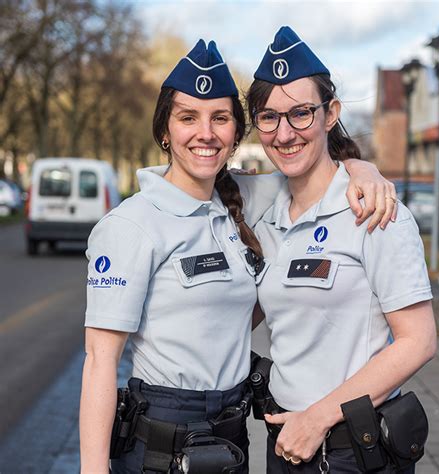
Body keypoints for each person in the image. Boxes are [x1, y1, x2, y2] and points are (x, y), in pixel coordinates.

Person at [79, 38, 397, 474]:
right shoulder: (131, 225)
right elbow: (99, 360)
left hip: (231, 435)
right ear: (164, 131)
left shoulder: (242, 199)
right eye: (188, 117)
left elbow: (315, 167)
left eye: (221, 118)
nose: (205, 133)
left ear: (235, 135)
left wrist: (365, 170)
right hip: (162, 435)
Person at [247, 26, 437, 473]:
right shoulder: (265, 213)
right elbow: (191, 167)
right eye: (269, 117)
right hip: (287, 443)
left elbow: (419, 340)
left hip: (352, 449)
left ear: (331, 113)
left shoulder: (374, 211)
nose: (285, 132)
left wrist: (318, 419)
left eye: (301, 113)